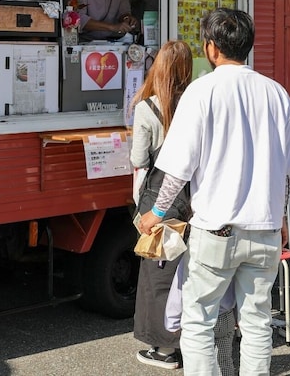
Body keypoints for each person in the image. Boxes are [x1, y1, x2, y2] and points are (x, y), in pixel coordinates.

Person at [138, 8, 290, 375]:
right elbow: (287, 169)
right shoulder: (276, 94)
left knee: (198, 321)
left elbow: (177, 168)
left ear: (211, 48)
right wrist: (281, 220)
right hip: (264, 229)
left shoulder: (201, 91)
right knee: (258, 321)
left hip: (216, 229)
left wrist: (157, 213)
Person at [129, 40, 194, 370]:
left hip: (158, 197)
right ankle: (192, 341)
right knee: (190, 272)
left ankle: (165, 350)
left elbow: (139, 158)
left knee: (159, 273)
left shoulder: (147, 108)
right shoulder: (195, 105)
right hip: (193, 196)